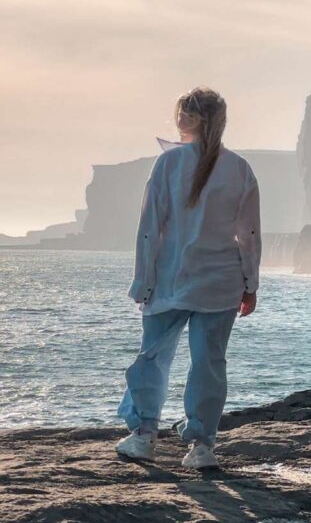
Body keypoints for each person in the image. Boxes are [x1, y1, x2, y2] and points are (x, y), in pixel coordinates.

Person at [114, 86, 261, 470]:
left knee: (152, 357)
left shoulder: (168, 164)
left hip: (170, 278)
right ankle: (201, 445)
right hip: (221, 281)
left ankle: (144, 434)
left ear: (185, 119)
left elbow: (149, 228)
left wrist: (142, 281)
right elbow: (248, 235)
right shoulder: (240, 168)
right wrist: (251, 284)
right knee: (209, 363)